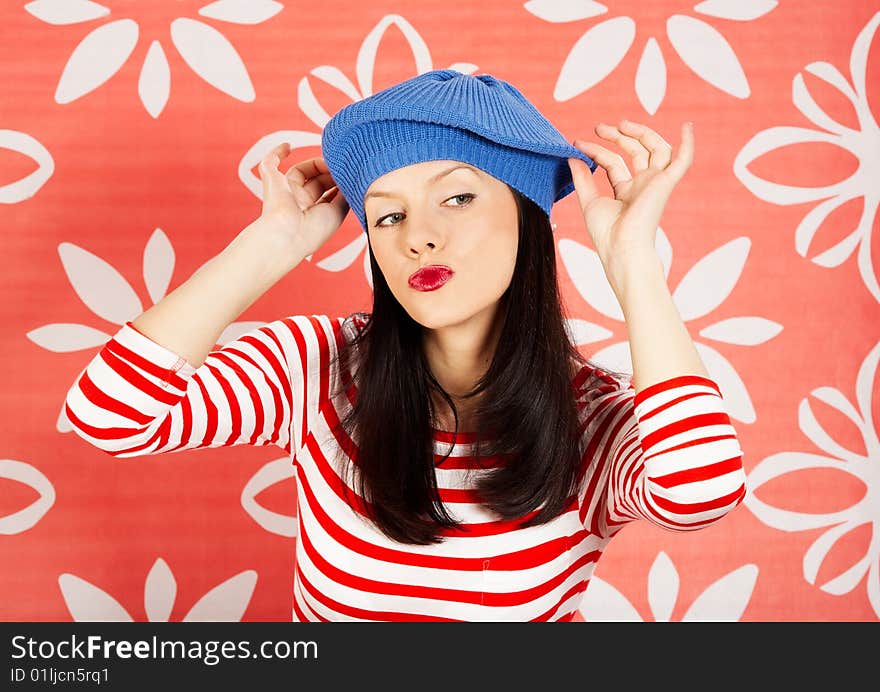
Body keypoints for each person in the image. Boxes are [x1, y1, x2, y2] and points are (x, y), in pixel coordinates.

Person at [64, 69, 747, 622]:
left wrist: (632, 262)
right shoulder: (319, 368)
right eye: (387, 215)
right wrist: (268, 247)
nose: (417, 236)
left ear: (527, 218)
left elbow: (701, 493)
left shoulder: (596, 420)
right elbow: (110, 417)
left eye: (456, 199)